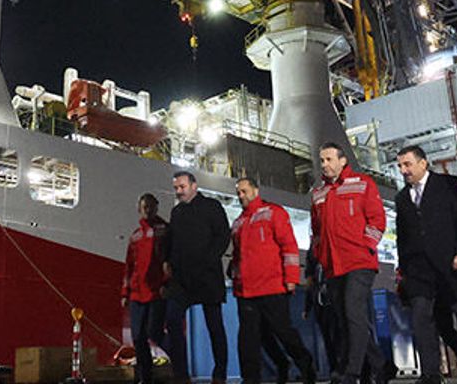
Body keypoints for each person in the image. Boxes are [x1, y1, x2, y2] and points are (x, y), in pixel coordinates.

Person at [394, 145, 457, 384]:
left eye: (407, 164)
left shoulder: (448, 184)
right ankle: (431, 374)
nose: (403, 170)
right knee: (422, 319)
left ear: (423, 163)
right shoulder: (401, 198)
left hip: (451, 265)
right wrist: (403, 271)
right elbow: (403, 236)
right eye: (400, 166)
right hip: (418, 271)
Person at [311, 142, 387, 384]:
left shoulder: (363, 183)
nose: (324, 164)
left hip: (359, 262)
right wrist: (320, 256)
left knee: (353, 312)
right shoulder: (318, 193)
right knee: (344, 317)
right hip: (333, 265)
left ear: (343, 160)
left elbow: (377, 219)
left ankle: (351, 372)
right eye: (322, 160)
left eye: (329, 159)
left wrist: (366, 246)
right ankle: (380, 365)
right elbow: (316, 231)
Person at [229, 176, 317, 384]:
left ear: (256, 191)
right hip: (246, 291)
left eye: (244, 191)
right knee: (249, 339)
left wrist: (291, 278)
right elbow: (237, 256)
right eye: (238, 192)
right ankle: (251, 378)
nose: (241, 196)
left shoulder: (274, 213)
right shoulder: (238, 223)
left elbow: (289, 246)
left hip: (272, 286)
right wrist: (235, 278)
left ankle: (304, 364)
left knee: (282, 332)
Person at [164, 171, 231, 384]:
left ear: (194, 186)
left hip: (207, 276)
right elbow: (171, 240)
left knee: (215, 326)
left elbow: (223, 235)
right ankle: (181, 374)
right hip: (181, 279)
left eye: (182, 187)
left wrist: (209, 259)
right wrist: (167, 261)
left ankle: (219, 374)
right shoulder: (177, 212)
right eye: (176, 188)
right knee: (172, 319)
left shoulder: (212, 206)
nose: (178, 191)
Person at [123, 193, 168, 384]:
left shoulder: (164, 231)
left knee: (154, 332)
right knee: (138, 336)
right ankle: (145, 377)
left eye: (150, 206)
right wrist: (125, 292)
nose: (147, 210)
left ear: (156, 207)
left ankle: (180, 361)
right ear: (139, 209)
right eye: (144, 207)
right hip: (137, 293)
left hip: (156, 291)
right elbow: (129, 265)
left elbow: (169, 259)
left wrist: (166, 283)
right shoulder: (135, 235)